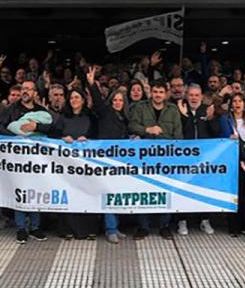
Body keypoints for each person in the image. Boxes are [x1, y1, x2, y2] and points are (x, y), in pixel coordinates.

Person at [0, 80, 49, 244]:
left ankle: (35, 227)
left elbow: (52, 128)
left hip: (37, 159)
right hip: (17, 159)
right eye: (23, 88)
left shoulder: (41, 111)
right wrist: (14, 137)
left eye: (29, 89)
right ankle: (21, 228)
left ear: (35, 93)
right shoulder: (11, 109)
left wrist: (36, 126)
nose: (26, 92)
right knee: (20, 191)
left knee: (35, 192)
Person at [128, 80, 182, 239]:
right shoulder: (140, 107)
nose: (158, 95)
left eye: (161, 92)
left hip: (166, 158)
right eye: (155, 91)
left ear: (166, 94)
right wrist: (147, 129)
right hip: (144, 158)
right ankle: (143, 226)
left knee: (166, 191)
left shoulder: (173, 110)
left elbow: (178, 135)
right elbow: (132, 126)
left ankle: (164, 225)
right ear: (151, 92)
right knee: (143, 190)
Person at [86, 66, 130, 244]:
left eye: (121, 100)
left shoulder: (125, 119)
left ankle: (115, 227)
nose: (118, 102)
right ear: (111, 101)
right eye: (115, 100)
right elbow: (97, 101)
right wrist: (91, 84)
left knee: (117, 194)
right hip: (106, 160)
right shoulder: (106, 113)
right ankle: (110, 228)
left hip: (120, 161)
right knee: (109, 194)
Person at [54, 88, 99, 240]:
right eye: (71, 97)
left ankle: (89, 229)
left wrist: (87, 139)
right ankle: (67, 229)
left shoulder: (91, 117)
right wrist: (62, 138)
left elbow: (97, 135)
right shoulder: (63, 117)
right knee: (69, 194)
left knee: (87, 193)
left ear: (83, 100)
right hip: (66, 164)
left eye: (77, 97)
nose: (74, 100)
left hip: (86, 164)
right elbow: (53, 134)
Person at [176, 83, 217, 236]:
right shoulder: (180, 109)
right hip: (184, 158)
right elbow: (180, 133)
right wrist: (184, 116)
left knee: (204, 188)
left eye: (196, 95)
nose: (193, 98)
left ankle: (205, 220)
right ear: (187, 96)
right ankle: (182, 220)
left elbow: (216, 133)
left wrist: (211, 119)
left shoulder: (207, 109)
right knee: (184, 188)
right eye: (191, 95)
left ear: (201, 96)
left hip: (204, 158)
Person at [219, 92, 245, 237]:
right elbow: (221, 139)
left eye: (240, 101)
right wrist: (229, 138)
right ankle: (233, 226)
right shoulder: (225, 120)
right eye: (234, 101)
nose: (237, 104)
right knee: (234, 192)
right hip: (232, 159)